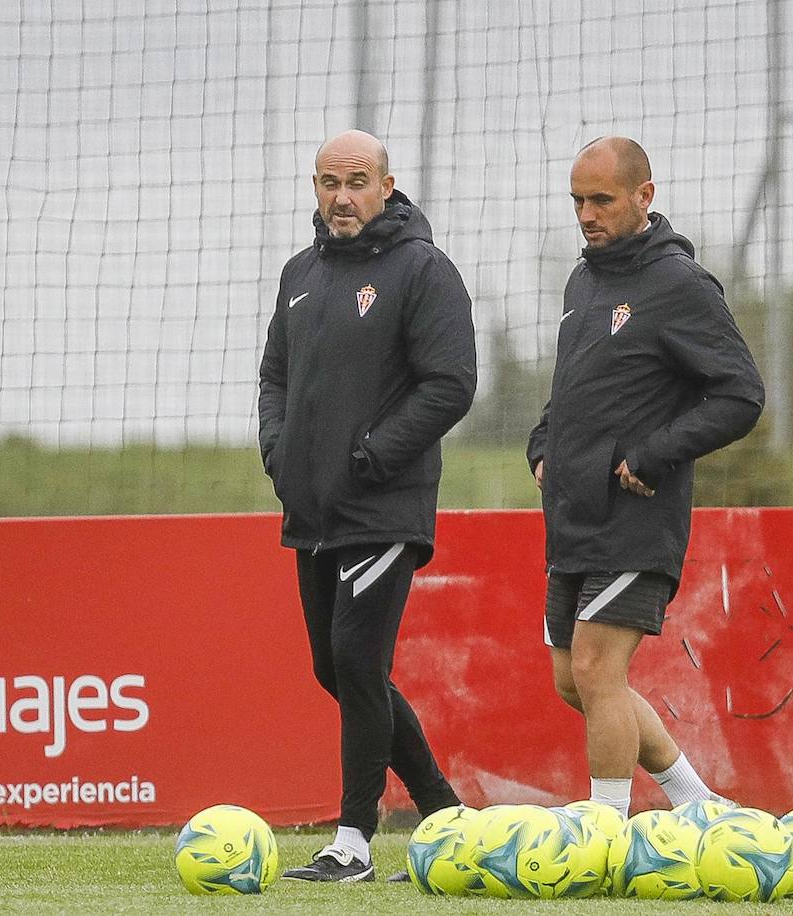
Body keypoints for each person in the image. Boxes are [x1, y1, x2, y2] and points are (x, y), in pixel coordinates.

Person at [258, 129, 477, 882]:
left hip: (384, 507)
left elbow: (450, 383)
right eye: (327, 182)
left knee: (357, 661)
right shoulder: (299, 273)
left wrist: (373, 456)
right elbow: (274, 379)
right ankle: (447, 816)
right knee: (338, 668)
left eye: (356, 181)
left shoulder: (423, 269)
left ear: (387, 185)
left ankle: (352, 841)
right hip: (311, 509)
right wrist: (279, 454)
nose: (340, 197)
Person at [527, 137, 764, 818]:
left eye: (601, 198)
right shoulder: (583, 281)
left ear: (644, 196)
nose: (587, 214)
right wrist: (544, 443)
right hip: (573, 516)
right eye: (578, 200)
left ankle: (604, 826)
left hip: (635, 517)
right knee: (573, 682)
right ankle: (696, 800)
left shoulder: (678, 285)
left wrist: (654, 452)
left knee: (600, 671)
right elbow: (575, 388)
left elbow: (741, 394)